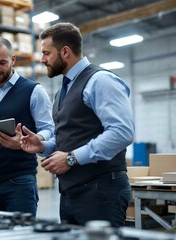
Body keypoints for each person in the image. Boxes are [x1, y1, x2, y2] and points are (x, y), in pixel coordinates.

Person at [20, 22, 134, 227]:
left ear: (65, 52)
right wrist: (43, 146)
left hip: (101, 192)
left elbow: (122, 132)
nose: (42, 59)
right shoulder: (62, 90)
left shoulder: (100, 80)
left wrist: (72, 159)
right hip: (71, 193)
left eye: (46, 53)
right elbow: (72, 138)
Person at [0, 37, 55, 216]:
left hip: (20, 183)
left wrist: (27, 141)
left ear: (13, 60)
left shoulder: (34, 91)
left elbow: (49, 129)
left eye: (2, 63)